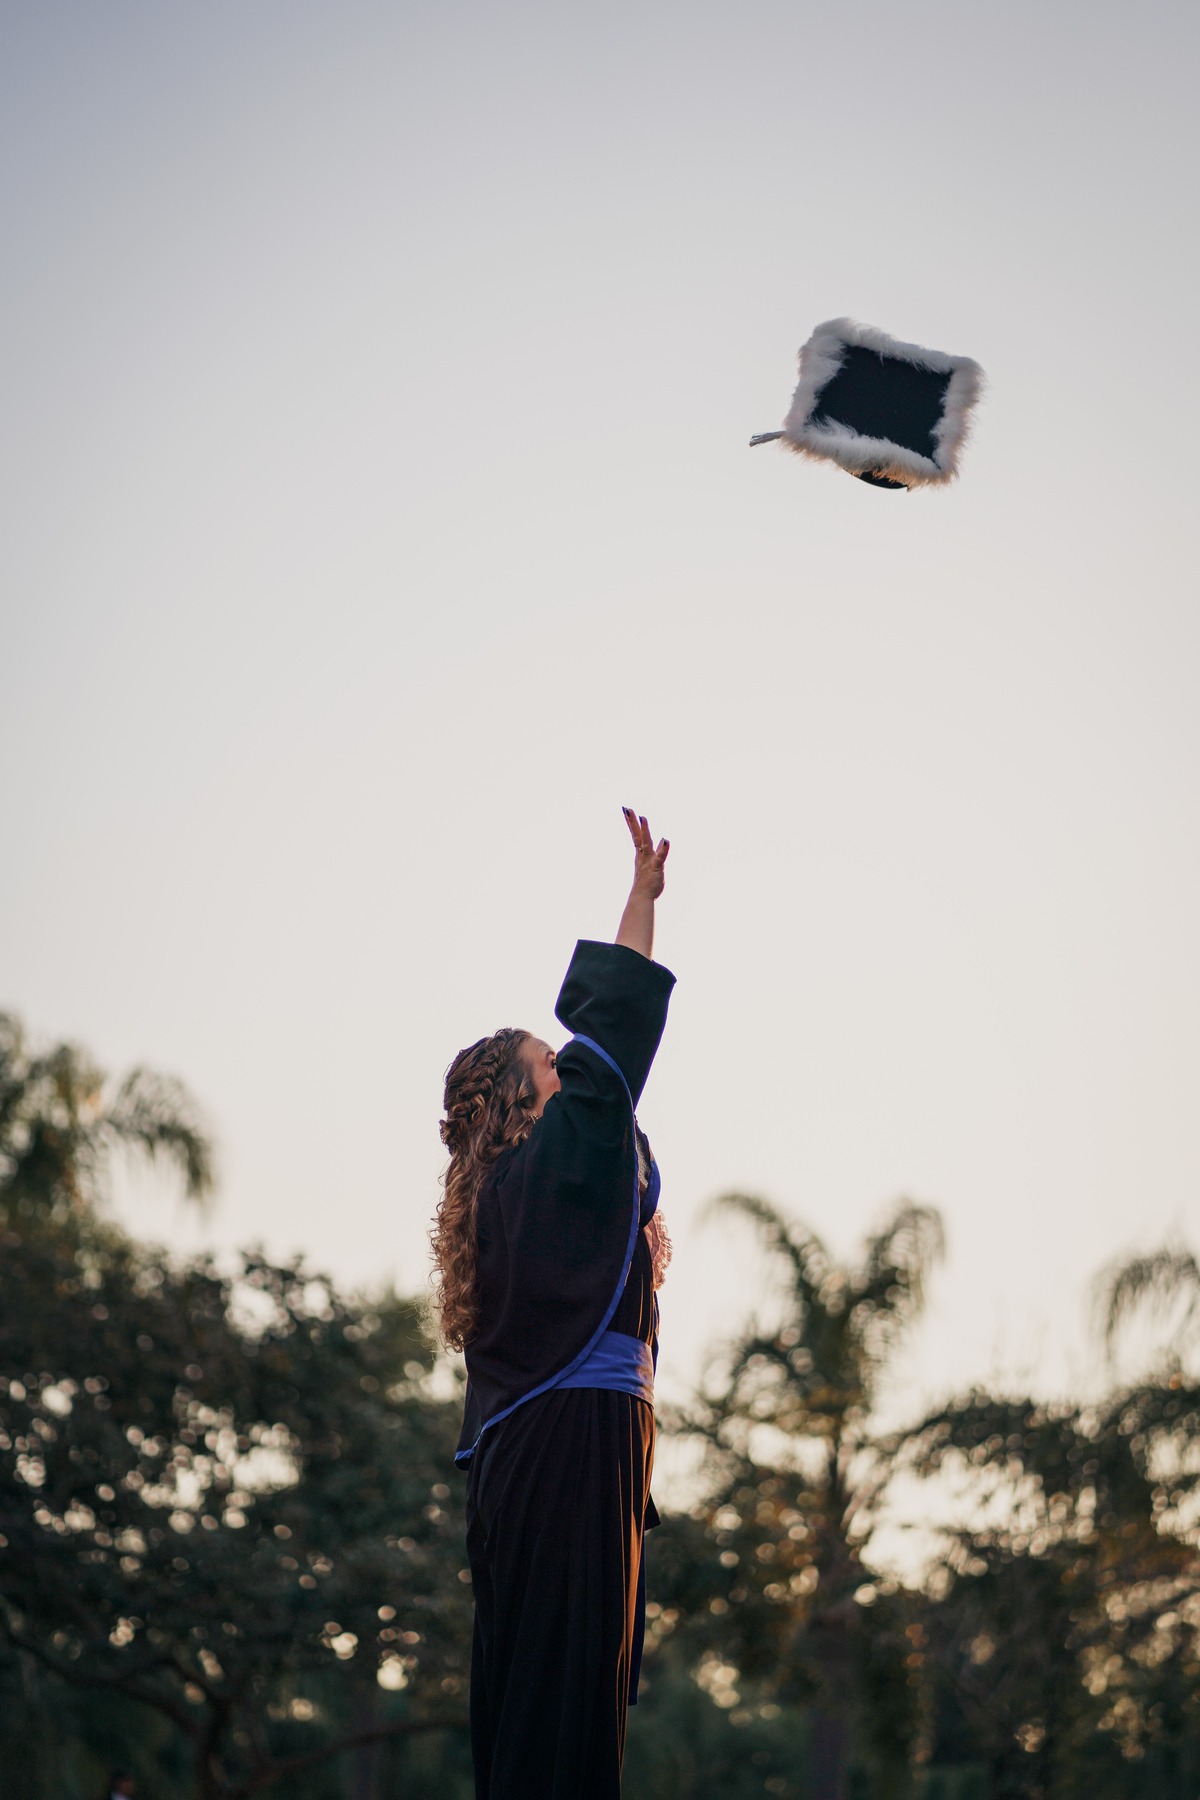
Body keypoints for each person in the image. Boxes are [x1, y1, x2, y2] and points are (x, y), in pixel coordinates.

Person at [432, 808, 675, 1800]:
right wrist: (641, 902)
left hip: (560, 1458)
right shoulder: (532, 1177)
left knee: (550, 1708)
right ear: (523, 1103)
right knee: (558, 1719)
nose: (570, 1070)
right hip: (570, 1459)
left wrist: (638, 1263)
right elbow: (613, 1039)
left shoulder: (512, 1200)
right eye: (552, 1065)